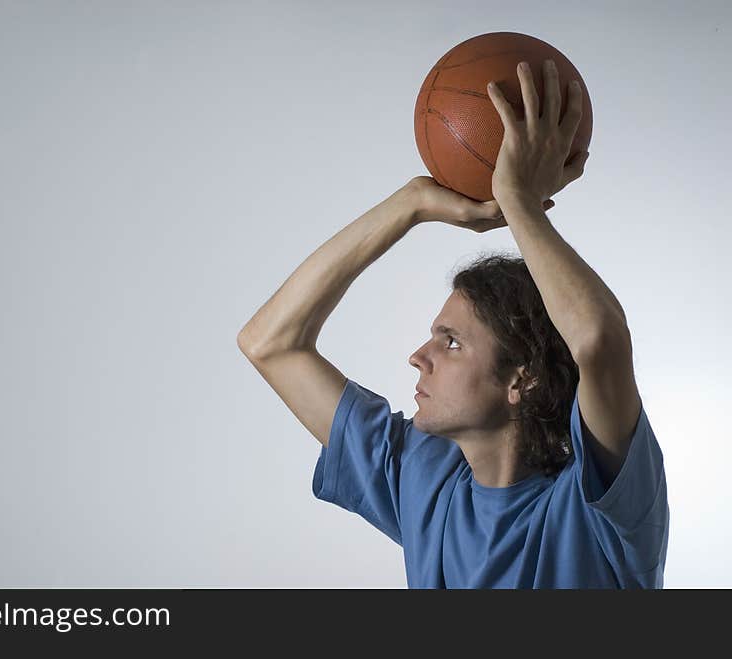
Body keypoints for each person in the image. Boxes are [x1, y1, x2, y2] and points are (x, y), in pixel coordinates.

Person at [237, 59, 669, 587]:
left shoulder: (604, 507)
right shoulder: (425, 478)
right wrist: (412, 202)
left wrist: (520, 203)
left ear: (522, 378)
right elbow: (269, 342)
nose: (420, 356)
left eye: (453, 342)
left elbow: (598, 339)